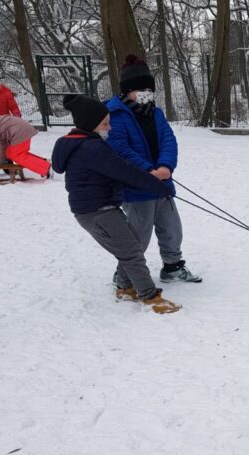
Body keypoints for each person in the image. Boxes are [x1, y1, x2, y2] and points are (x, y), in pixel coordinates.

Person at [51, 94, 180, 314]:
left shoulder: (77, 144)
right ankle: (149, 297)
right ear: (90, 124)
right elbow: (125, 171)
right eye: (105, 124)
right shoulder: (92, 149)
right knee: (132, 252)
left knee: (130, 246)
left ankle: (124, 287)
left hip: (96, 210)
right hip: (98, 212)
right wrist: (159, 186)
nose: (109, 128)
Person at [105, 54, 201, 284]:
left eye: (149, 88)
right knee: (139, 234)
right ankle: (125, 275)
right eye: (140, 89)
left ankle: (172, 266)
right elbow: (119, 147)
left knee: (172, 228)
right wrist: (148, 169)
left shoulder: (155, 113)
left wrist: (165, 166)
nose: (146, 93)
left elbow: (169, 140)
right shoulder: (114, 114)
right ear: (128, 90)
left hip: (162, 183)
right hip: (137, 186)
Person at [0, 105, 50, 179]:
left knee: (17, 155)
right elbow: (2, 142)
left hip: (19, 131)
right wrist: (2, 158)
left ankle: (46, 168)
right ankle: (44, 163)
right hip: (20, 130)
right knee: (11, 153)